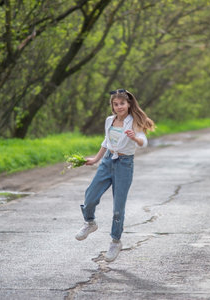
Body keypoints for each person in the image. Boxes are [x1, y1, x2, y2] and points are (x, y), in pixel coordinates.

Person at [75, 89, 155, 262]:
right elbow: (106, 141)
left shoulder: (134, 122)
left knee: (118, 208)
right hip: (107, 161)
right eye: (116, 104)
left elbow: (144, 142)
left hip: (124, 165)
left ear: (129, 104)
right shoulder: (109, 121)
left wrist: (135, 138)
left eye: (122, 103)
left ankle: (115, 241)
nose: (119, 107)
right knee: (90, 196)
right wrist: (95, 159)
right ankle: (90, 222)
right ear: (112, 106)